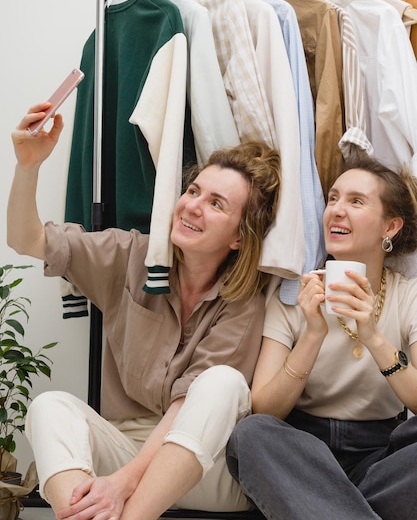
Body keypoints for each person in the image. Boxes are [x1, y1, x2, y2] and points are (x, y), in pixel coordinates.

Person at [7, 101, 281, 520]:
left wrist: (121, 486)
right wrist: (28, 166)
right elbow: (26, 240)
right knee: (50, 406)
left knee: (222, 383)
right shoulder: (130, 254)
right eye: (193, 191)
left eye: (216, 204)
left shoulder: (242, 303)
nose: (192, 205)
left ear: (240, 239)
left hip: (201, 470)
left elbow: (186, 409)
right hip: (124, 445)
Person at [226, 151, 417, 520]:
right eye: (332, 199)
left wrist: (374, 337)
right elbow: (266, 407)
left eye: (356, 201)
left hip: (380, 456)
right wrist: (313, 334)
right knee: (252, 433)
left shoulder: (408, 296)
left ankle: (322, 507)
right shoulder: (291, 292)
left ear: (389, 227)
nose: (336, 210)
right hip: (303, 454)